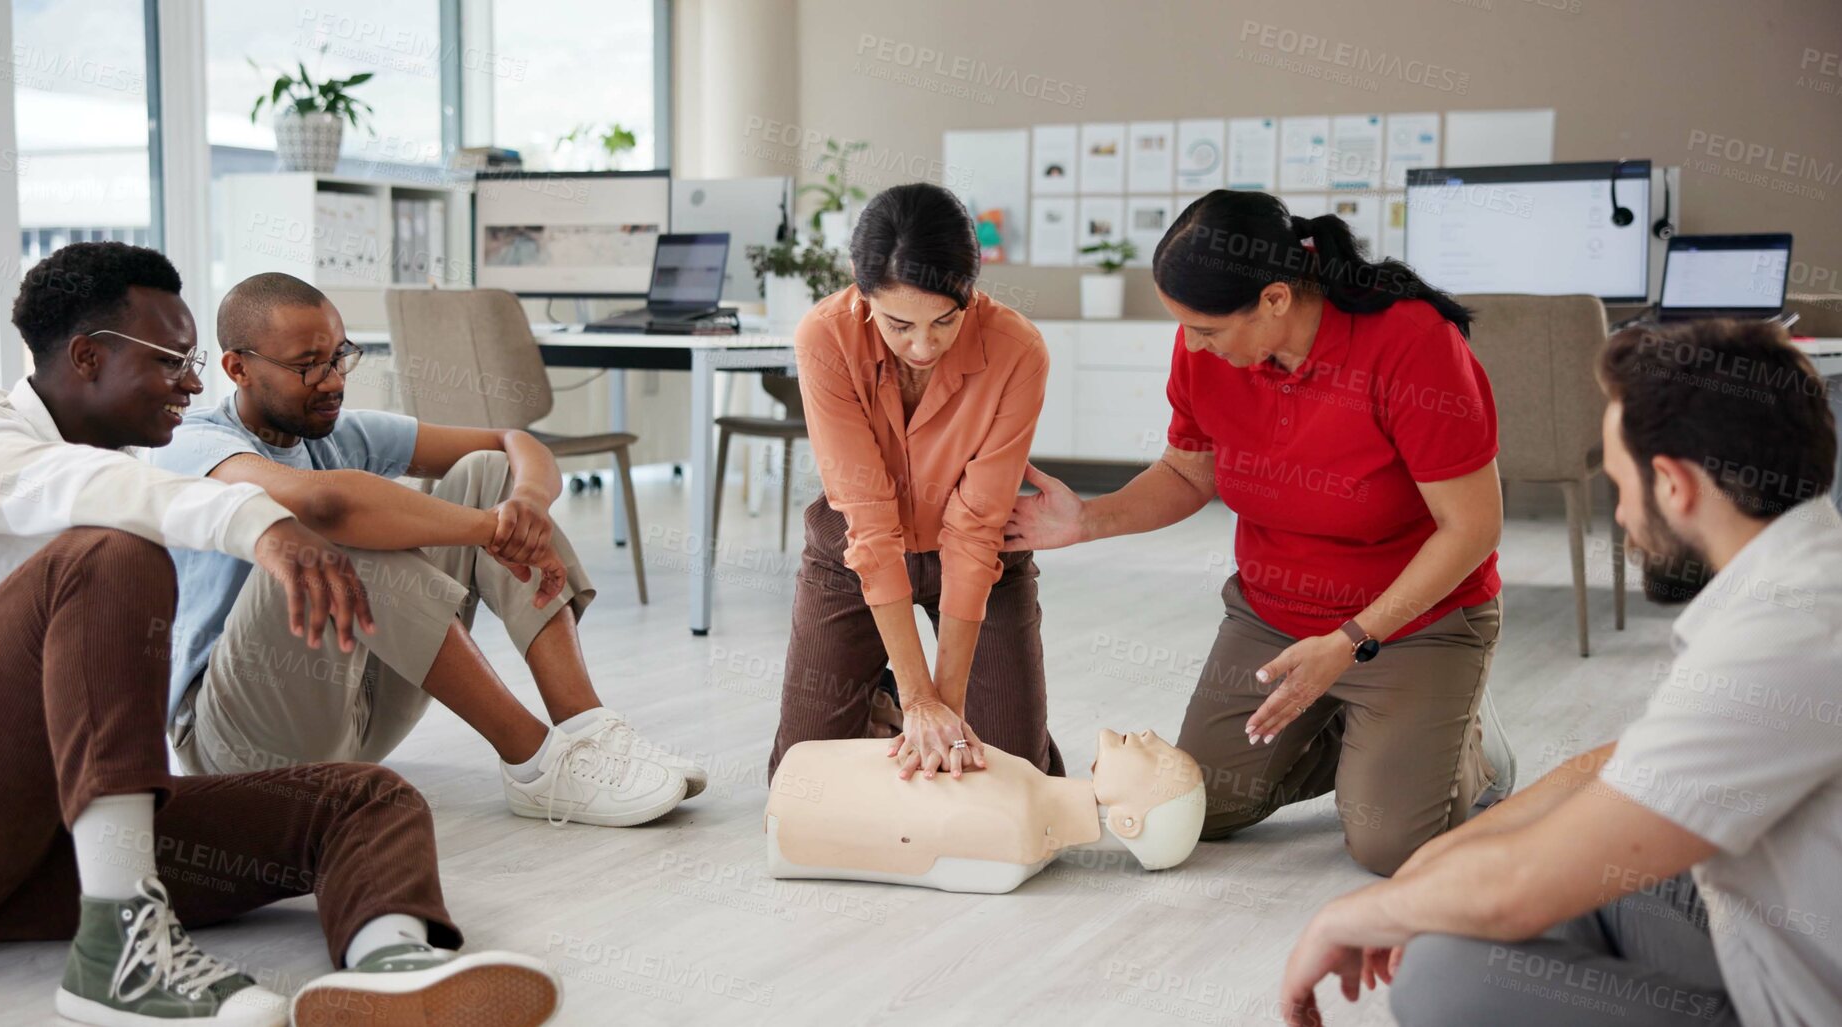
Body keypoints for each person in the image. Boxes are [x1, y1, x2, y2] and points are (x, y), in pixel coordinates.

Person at [0, 241, 558, 1026]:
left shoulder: (138, 468)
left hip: (42, 843)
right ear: (85, 357)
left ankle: (391, 963)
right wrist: (262, 525)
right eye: (172, 361)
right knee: (110, 550)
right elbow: (71, 484)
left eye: (195, 359)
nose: (195, 383)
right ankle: (121, 954)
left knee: (362, 796)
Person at [1277, 320, 1841, 1027]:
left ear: (1672, 483)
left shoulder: (1785, 639)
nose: (1624, 518)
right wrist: (1449, 853)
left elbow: (1514, 888)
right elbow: (1623, 768)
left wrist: (1344, 915)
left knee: (1447, 975)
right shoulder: (1804, 569)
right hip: (1774, 925)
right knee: (1504, 890)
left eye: (1617, 485)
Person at [1005, 190, 1513, 875]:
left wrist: (1350, 640)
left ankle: (1466, 749)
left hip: (1411, 624)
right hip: (1274, 616)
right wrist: (1088, 519)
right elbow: (1190, 474)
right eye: (1183, 327)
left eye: (1207, 329)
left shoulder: (1412, 343)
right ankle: (1377, 739)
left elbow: (1471, 526)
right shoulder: (1206, 350)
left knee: (1390, 844)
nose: (1190, 344)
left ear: (1275, 298)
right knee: (1193, 809)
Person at [152, 272, 701, 827]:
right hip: (236, 748)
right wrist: (489, 531)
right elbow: (325, 507)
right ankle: (538, 764)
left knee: (488, 473)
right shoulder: (194, 441)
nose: (333, 380)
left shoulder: (339, 433)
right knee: (340, 533)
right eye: (307, 365)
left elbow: (515, 445)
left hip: (350, 718)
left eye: (340, 356)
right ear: (238, 369)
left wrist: (527, 505)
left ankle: (588, 730)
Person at [768, 181, 1063, 782]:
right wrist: (915, 698)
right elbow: (869, 520)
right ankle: (882, 701)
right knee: (801, 783)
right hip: (855, 555)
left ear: (970, 291)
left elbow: (976, 524)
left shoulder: (1018, 350)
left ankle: (920, 704)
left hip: (985, 558)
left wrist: (944, 707)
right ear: (861, 282)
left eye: (945, 322)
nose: (922, 346)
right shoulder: (824, 337)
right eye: (899, 323)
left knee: (1008, 775)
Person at [766, 729, 1202, 894]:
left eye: (1158, 756)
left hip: (799, 797)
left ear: (1129, 822)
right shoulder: (1027, 798)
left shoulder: (1018, 835)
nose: (1147, 733)